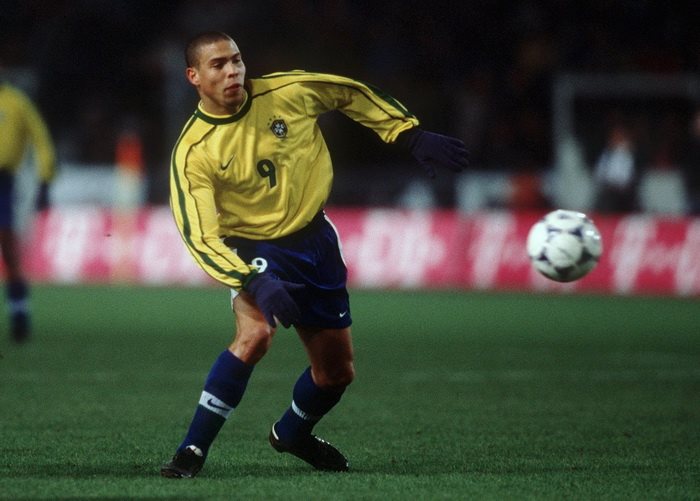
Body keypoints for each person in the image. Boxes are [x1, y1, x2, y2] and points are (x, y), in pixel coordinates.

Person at [161, 31, 468, 478]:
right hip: (254, 247)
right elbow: (201, 237)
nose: (233, 71)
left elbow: (348, 92)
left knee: (335, 374)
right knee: (255, 336)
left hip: (315, 240)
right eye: (218, 65)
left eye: (237, 60)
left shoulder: (288, 92)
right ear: (194, 76)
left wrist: (407, 133)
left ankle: (292, 433)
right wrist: (252, 279)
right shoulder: (193, 152)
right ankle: (191, 449)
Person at [0, 71, 56, 343]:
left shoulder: (16, 102)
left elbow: (40, 138)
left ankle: (19, 314)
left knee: (9, 248)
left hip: (3, 184)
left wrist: (45, 178)